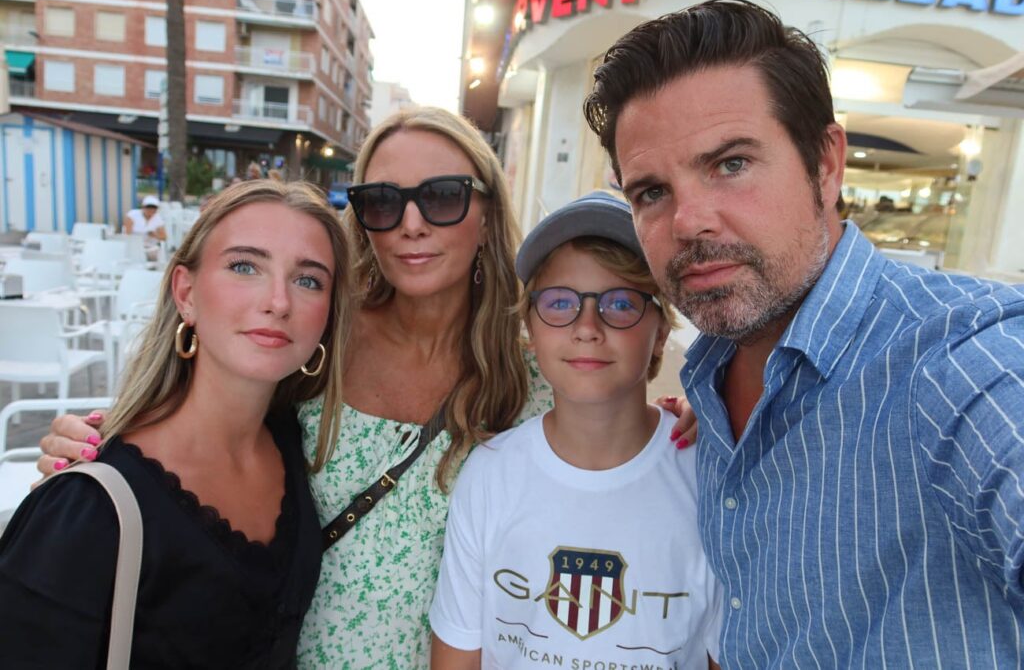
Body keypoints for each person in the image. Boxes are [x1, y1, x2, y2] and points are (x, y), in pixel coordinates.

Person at [36, 107, 693, 667]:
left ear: (487, 213)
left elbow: (621, 456)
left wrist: (692, 417)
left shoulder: (538, 378)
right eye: (382, 201)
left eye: (442, 196)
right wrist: (104, 451)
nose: (412, 224)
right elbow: (203, 429)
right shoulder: (315, 341)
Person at [583, 0, 1024, 667]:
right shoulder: (715, 376)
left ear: (825, 164)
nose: (688, 221)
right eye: (651, 192)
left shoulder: (959, 361)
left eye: (731, 164)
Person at [0, 180, 351, 666]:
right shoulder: (88, 506)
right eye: (245, 266)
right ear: (186, 293)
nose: (279, 301)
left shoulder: (296, 438)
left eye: (308, 280)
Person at [429, 192, 722, 669]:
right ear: (531, 328)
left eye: (621, 303)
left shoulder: (709, 478)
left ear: (661, 335)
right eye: (560, 302)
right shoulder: (490, 475)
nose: (587, 327)